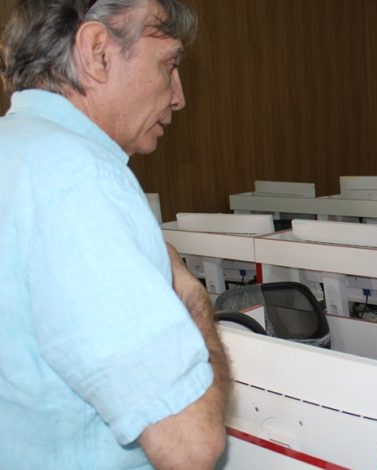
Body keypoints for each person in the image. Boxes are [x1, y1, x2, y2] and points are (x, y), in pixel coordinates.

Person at [0, 0, 230, 468]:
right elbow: (191, 444)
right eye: (169, 65)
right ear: (97, 51)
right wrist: (190, 295)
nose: (179, 97)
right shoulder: (80, 179)